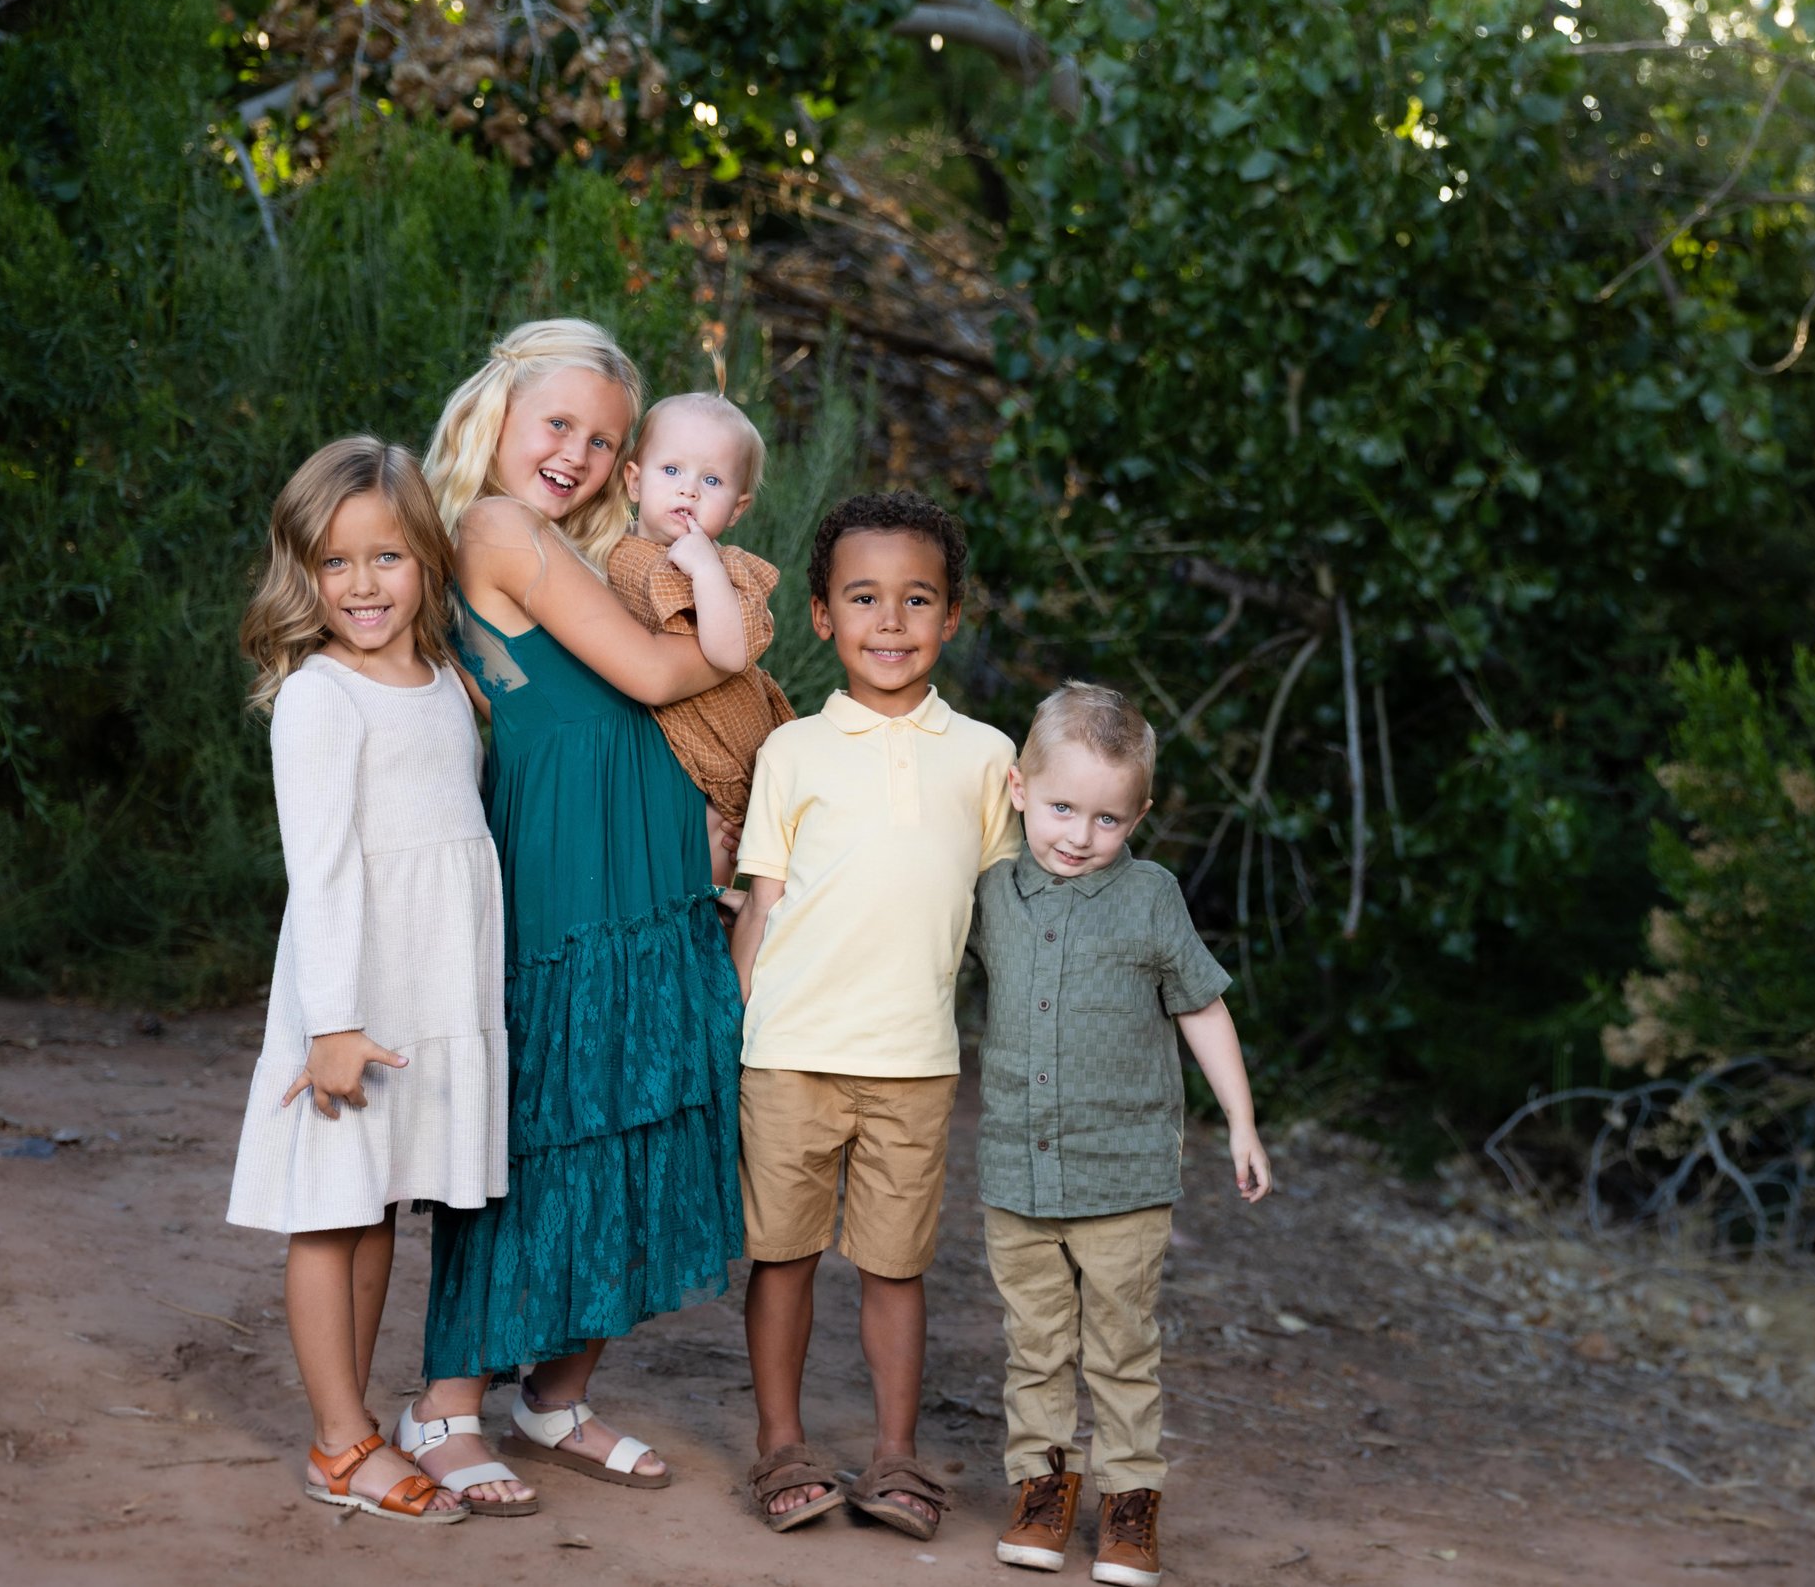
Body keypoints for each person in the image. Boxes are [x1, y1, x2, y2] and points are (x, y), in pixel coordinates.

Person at [401, 318, 748, 1514]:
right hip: (567, 859)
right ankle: (444, 1402)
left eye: (605, 442)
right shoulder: (494, 526)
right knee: (544, 1113)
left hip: (644, 857)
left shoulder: (569, 540)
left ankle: (554, 1391)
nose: (579, 454)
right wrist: (736, 629)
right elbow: (657, 676)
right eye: (559, 423)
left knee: (644, 1100)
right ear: (496, 408)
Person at [729, 492, 1020, 1537]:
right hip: (791, 1052)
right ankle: (780, 1445)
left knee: (896, 1260)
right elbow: (762, 901)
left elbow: (1012, 912)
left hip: (915, 1059)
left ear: (951, 616)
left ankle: (896, 1456)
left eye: (915, 599)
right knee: (784, 1252)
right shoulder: (794, 751)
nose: (889, 622)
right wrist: (734, 1024)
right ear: (820, 615)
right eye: (863, 597)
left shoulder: (988, 755)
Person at [227, 435, 503, 1526]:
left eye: (385, 557)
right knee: (328, 1213)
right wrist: (333, 1022)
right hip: (354, 995)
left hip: (429, 986)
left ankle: (360, 1425)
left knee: (381, 1202)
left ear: (426, 558)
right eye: (335, 564)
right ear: (304, 575)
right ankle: (339, 1439)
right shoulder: (319, 697)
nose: (362, 585)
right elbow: (326, 865)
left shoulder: (445, 680)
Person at [971, 682, 1272, 1587]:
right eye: (1062, 807)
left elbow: (1203, 1008)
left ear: (1138, 815)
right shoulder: (991, 892)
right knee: (1035, 1339)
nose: (1078, 833)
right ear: (1019, 788)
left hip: (1127, 1176)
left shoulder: (1150, 897)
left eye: (1107, 818)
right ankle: (1041, 1487)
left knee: (1121, 1344)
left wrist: (1243, 1123)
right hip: (1018, 1168)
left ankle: (1131, 1501)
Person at [605, 392, 795, 904]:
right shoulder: (605, 556)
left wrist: (705, 567)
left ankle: (712, 923)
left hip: (726, 763)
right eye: (672, 470)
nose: (688, 490)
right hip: (656, 755)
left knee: (701, 886)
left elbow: (730, 654)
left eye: (711, 481)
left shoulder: (726, 570)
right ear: (634, 480)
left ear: (737, 509)